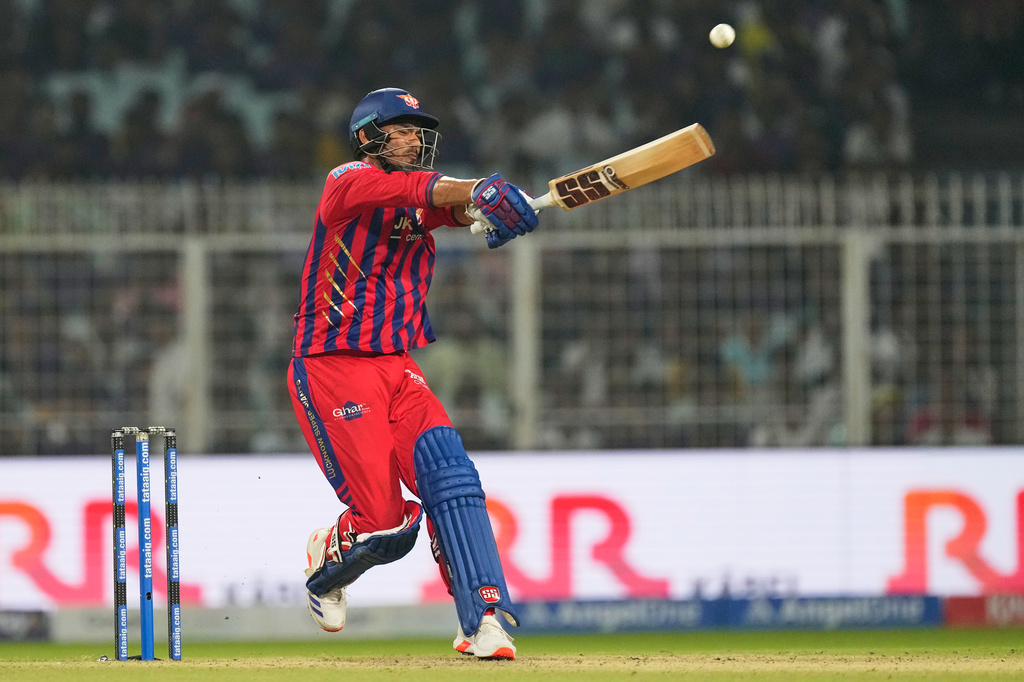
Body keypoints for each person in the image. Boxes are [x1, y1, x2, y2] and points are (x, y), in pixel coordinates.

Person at [286, 87, 538, 660]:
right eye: (399, 128)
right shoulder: (346, 181)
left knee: (453, 478)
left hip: (398, 368)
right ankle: (329, 559)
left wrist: (486, 210)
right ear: (368, 137)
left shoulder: (415, 196)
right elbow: (420, 190)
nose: (412, 137)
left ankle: (484, 620)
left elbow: (442, 206)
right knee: (387, 529)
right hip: (333, 366)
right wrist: (476, 191)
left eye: (417, 129)